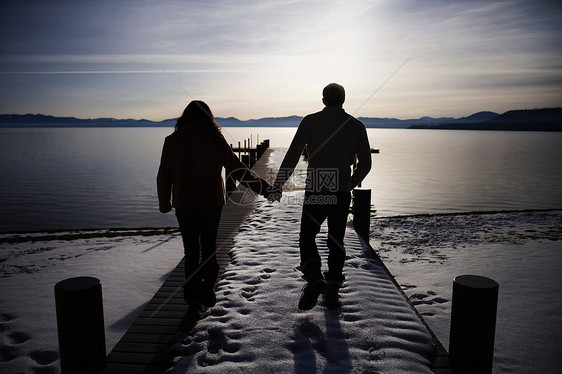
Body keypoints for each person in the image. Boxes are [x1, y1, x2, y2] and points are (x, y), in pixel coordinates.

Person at [158, 100, 271, 310]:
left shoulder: (172, 140)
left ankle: (192, 296)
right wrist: (264, 188)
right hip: (211, 202)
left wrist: (164, 202)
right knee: (208, 246)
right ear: (208, 118)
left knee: (191, 250)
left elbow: (164, 175)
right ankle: (208, 284)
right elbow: (237, 169)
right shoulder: (214, 138)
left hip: (184, 203)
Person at [270, 83, 371, 310]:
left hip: (317, 186)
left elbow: (292, 156)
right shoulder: (356, 126)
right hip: (341, 190)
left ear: (323, 100)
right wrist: (350, 183)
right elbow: (366, 164)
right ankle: (332, 293)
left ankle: (315, 279)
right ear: (343, 100)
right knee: (336, 241)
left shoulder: (310, 121)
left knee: (307, 236)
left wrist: (278, 185)